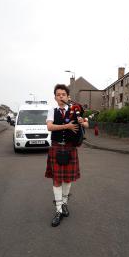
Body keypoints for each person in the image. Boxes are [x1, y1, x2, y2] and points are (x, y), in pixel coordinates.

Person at [45, 84, 89, 227]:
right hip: (56, 147)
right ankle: (58, 210)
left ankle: (64, 204)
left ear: (68, 96)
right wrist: (67, 126)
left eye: (63, 94)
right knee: (57, 179)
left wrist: (83, 122)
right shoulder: (52, 111)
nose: (61, 96)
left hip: (70, 148)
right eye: (58, 94)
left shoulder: (74, 110)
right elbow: (50, 127)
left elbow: (87, 124)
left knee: (68, 180)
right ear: (55, 97)